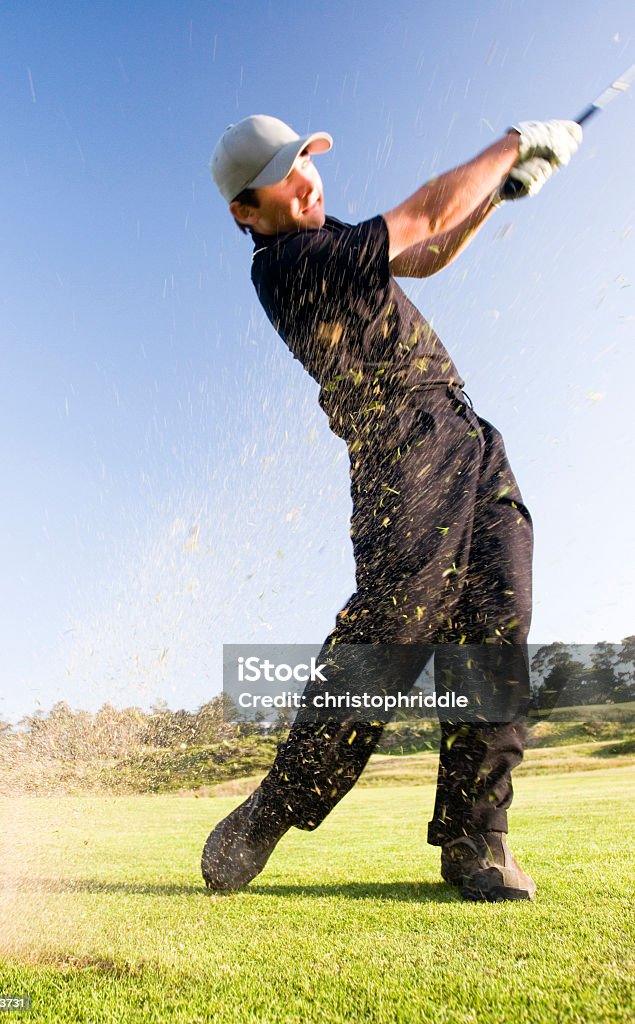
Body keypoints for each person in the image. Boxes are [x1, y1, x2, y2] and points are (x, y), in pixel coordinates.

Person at [203, 114, 581, 901]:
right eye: (284, 171)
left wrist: (497, 195)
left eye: (304, 158)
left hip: (464, 429)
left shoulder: (333, 239)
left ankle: (477, 840)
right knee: (391, 635)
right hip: (397, 446)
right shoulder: (291, 262)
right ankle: (271, 811)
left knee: (495, 622)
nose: (306, 177)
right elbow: (421, 216)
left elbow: (429, 251)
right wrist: (511, 143)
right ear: (246, 209)